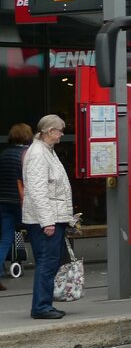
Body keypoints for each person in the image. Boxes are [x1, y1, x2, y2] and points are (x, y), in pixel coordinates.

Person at [22, 115, 73, 320]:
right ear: (49, 131)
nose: (62, 134)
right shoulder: (38, 154)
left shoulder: (46, 151)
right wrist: (47, 221)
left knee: (50, 261)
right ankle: (41, 306)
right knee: (47, 262)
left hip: (51, 216)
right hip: (46, 219)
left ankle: (44, 304)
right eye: (59, 130)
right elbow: (37, 191)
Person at [0, 123, 32, 291]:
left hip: (4, 201)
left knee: (5, 239)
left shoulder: (4, 154)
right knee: (35, 233)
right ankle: (46, 272)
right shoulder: (26, 155)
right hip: (21, 202)